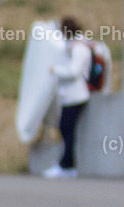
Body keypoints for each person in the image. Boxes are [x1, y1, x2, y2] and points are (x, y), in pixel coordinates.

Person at [44, 16, 91, 179]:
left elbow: (73, 71)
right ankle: (67, 165)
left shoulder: (78, 48)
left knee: (67, 130)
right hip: (70, 97)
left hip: (76, 96)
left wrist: (55, 69)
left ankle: (67, 165)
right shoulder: (74, 45)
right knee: (66, 130)